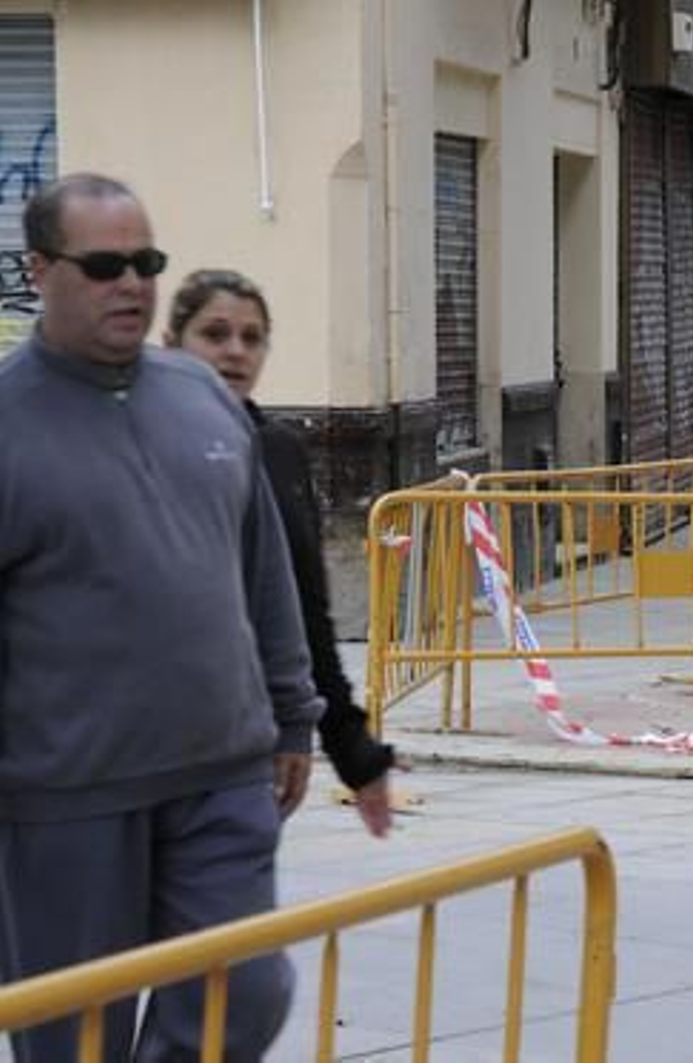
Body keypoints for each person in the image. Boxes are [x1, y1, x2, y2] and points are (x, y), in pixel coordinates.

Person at [0, 173, 321, 1060]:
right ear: (40, 270)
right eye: (105, 266)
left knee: (244, 994)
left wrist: (292, 713)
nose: (132, 285)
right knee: (72, 1037)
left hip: (222, 775)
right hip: (67, 798)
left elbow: (262, 571)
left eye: (146, 263)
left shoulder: (203, 398)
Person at [165, 268, 397, 838]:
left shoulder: (277, 452)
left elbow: (306, 610)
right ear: (172, 344)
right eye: (214, 334)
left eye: (252, 338)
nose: (235, 351)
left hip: (245, 741)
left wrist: (352, 749)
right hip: (140, 748)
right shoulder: (139, 447)